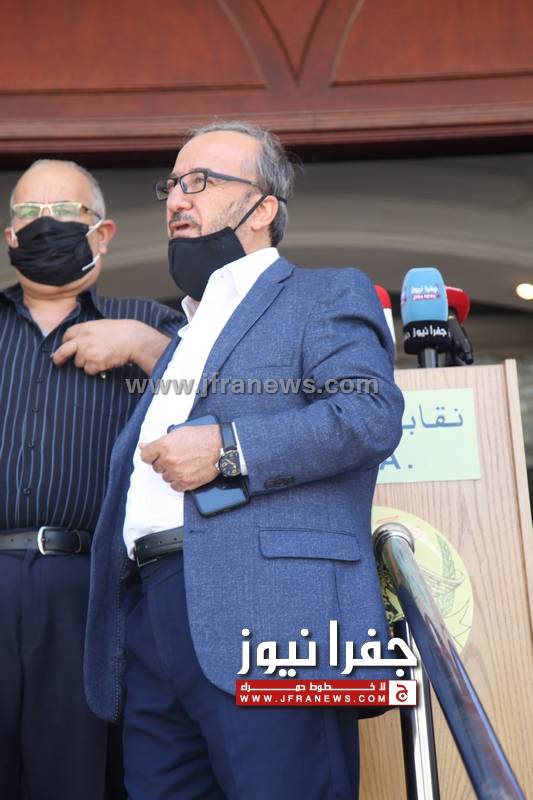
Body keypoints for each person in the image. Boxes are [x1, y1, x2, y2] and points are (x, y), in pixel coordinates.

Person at [84, 122, 404, 800]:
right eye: (172, 184)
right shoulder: (184, 334)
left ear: (262, 208)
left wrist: (228, 450)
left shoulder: (324, 293)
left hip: (276, 617)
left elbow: (368, 414)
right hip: (154, 619)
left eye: (200, 181)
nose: (176, 198)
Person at [0, 158, 181, 800]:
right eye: (29, 213)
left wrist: (144, 347)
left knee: (77, 775)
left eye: (64, 213)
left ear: (102, 234)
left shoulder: (151, 325)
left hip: (94, 588)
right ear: (10, 236)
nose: (44, 225)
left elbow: (225, 398)